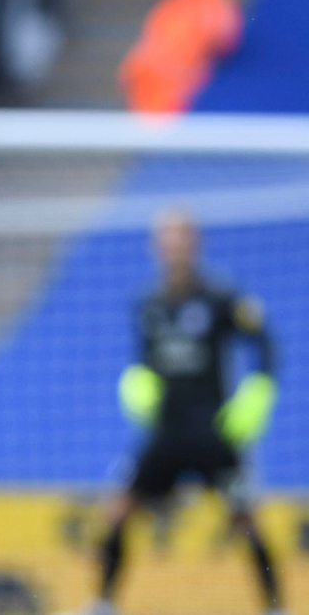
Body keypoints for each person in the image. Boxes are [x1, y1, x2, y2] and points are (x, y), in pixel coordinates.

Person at [86, 210, 281, 615]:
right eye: (166, 238)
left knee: (245, 517)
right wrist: (138, 383)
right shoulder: (148, 304)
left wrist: (257, 391)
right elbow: (145, 360)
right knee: (119, 507)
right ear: (156, 246)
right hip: (167, 434)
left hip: (213, 434)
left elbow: (265, 344)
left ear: (195, 244)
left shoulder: (221, 298)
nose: (174, 246)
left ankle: (275, 608)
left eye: (181, 238)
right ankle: (103, 603)